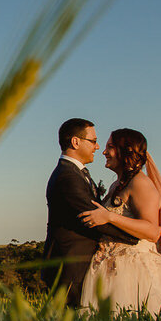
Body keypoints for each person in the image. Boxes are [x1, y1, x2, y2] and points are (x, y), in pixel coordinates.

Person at [77, 128, 161, 314]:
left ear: (126, 151)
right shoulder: (117, 185)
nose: (104, 152)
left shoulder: (140, 184)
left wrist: (110, 216)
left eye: (110, 147)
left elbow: (152, 231)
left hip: (134, 271)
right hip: (110, 268)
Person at [42, 118, 138, 307]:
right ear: (75, 142)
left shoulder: (77, 173)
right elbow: (93, 218)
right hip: (70, 266)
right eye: (93, 141)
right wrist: (135, 238)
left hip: (80, 264)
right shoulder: (67, 177)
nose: (97, 147)